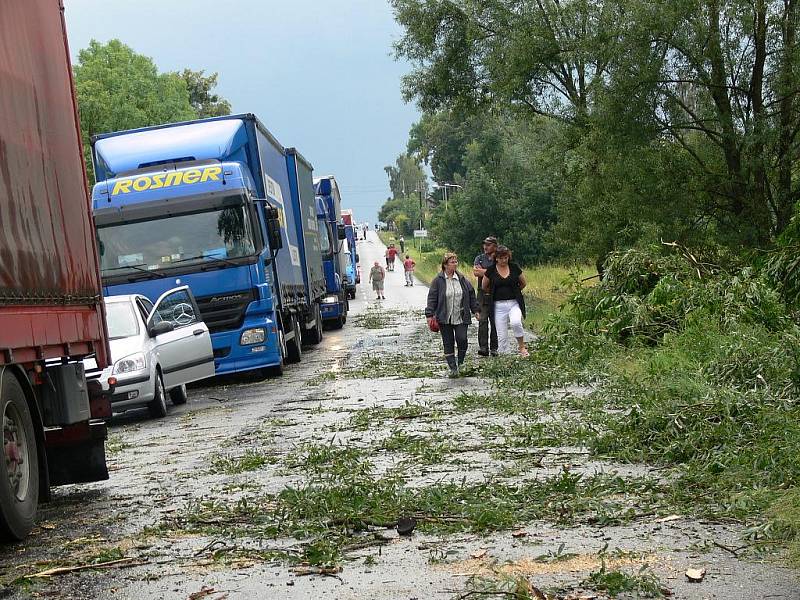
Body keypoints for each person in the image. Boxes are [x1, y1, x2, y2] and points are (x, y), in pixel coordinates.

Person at [426, 252, 480, 378]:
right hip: (444, 317)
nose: (455, 264)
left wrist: (476, 310)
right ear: (445, 265)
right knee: (448, 342)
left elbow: (471, 295)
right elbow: (432, 298)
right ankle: (453, 368)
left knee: (462, 339)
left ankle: (460, 363)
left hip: (460, 316)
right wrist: (429, 315)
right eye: (452, 262)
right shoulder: (438, 281)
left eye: (456, 262)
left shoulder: (462, 279)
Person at [482, 245, 528, 357]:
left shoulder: (514, 268)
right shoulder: (491, 270)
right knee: (501, 335)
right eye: (501, 258)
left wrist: (515, 292)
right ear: (496, 258)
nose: (504, 260)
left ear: (508, 257)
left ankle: (522, 347)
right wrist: (495, 293)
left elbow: (523, 283)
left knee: (516, 322)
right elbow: (485, 286)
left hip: (513, 303)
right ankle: (504, 357)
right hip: (498, 305)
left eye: (506, 257)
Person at [473, 236, 499, 357]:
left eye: (488, 245)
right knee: (482, 320)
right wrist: (491, 271)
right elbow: (476, 272)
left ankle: (494, 348)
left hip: (496, 293)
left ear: (494, 246)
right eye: (484, 244)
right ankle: (483, 347)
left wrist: (485, 271)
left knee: (495, 322)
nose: (485, 247)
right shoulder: (479, 258)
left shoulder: (499, 258)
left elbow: (499, 272)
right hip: (482, 293)